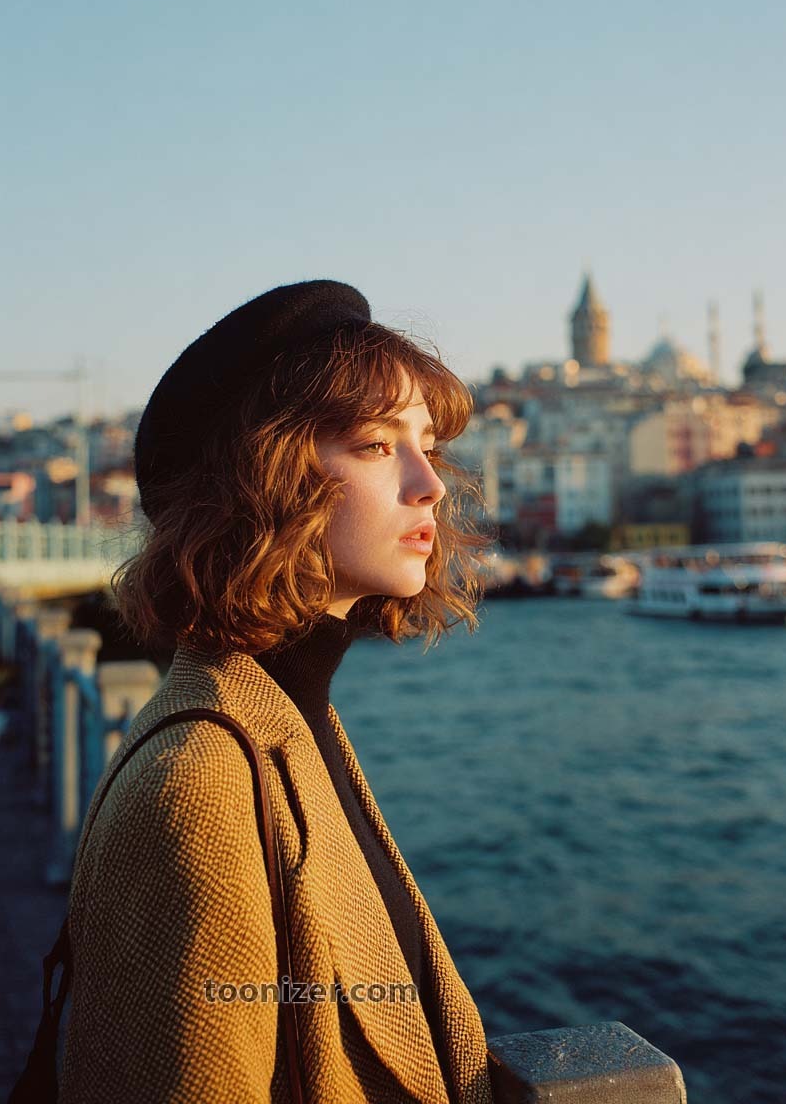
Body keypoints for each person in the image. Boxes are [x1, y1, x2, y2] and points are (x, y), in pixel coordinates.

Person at [57, 280, 497, 1103]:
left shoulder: (287, 715)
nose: (429, 483)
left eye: (427, 445)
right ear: (267, 475)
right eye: (375, 446)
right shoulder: (200, 783)